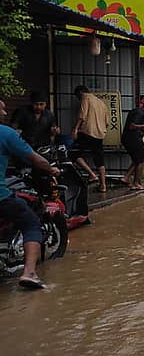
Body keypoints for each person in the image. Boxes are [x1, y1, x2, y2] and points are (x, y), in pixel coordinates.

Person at [0, 99, 61, 289]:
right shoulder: (5, 133)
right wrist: (52, 170)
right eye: (1, 109)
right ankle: (30, 273)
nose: (3, 113)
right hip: (1, 196)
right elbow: (34, 158)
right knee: (31, 223)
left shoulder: (46, 118)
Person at [71, 85, 111, 192]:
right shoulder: (101, 102)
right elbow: (107, 122)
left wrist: (75, 129)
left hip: (87, 132)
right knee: (99, 158)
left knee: (73, 153)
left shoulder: (85, 97)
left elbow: (82, 115)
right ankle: (103, 185)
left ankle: (92, 174)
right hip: (99, 134)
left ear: (80, 93)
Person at [122, 100, 144, 190]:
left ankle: (126, 177)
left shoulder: (136, 111)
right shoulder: (139, 113)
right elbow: (132, 126)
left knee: (136, 160)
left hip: (128, 138)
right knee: (141, 160)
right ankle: (136, 183)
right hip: (133, 138)